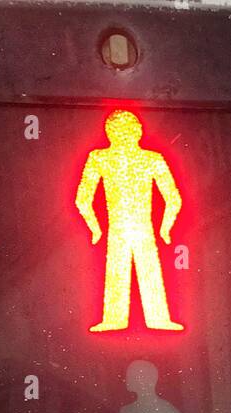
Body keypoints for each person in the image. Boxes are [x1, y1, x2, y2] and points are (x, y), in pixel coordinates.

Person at [75, 110, 183, 332]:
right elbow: (173, 199)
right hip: (143, 227)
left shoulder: (100, 158)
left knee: (118, 270)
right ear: (138, 131)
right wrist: (165, 228)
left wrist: (96, 228)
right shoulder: (151, 159)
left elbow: (82, 200)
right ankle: (157, 318)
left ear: (109, 132)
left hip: (119, 228)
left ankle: (116, 319)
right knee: (148, 269)